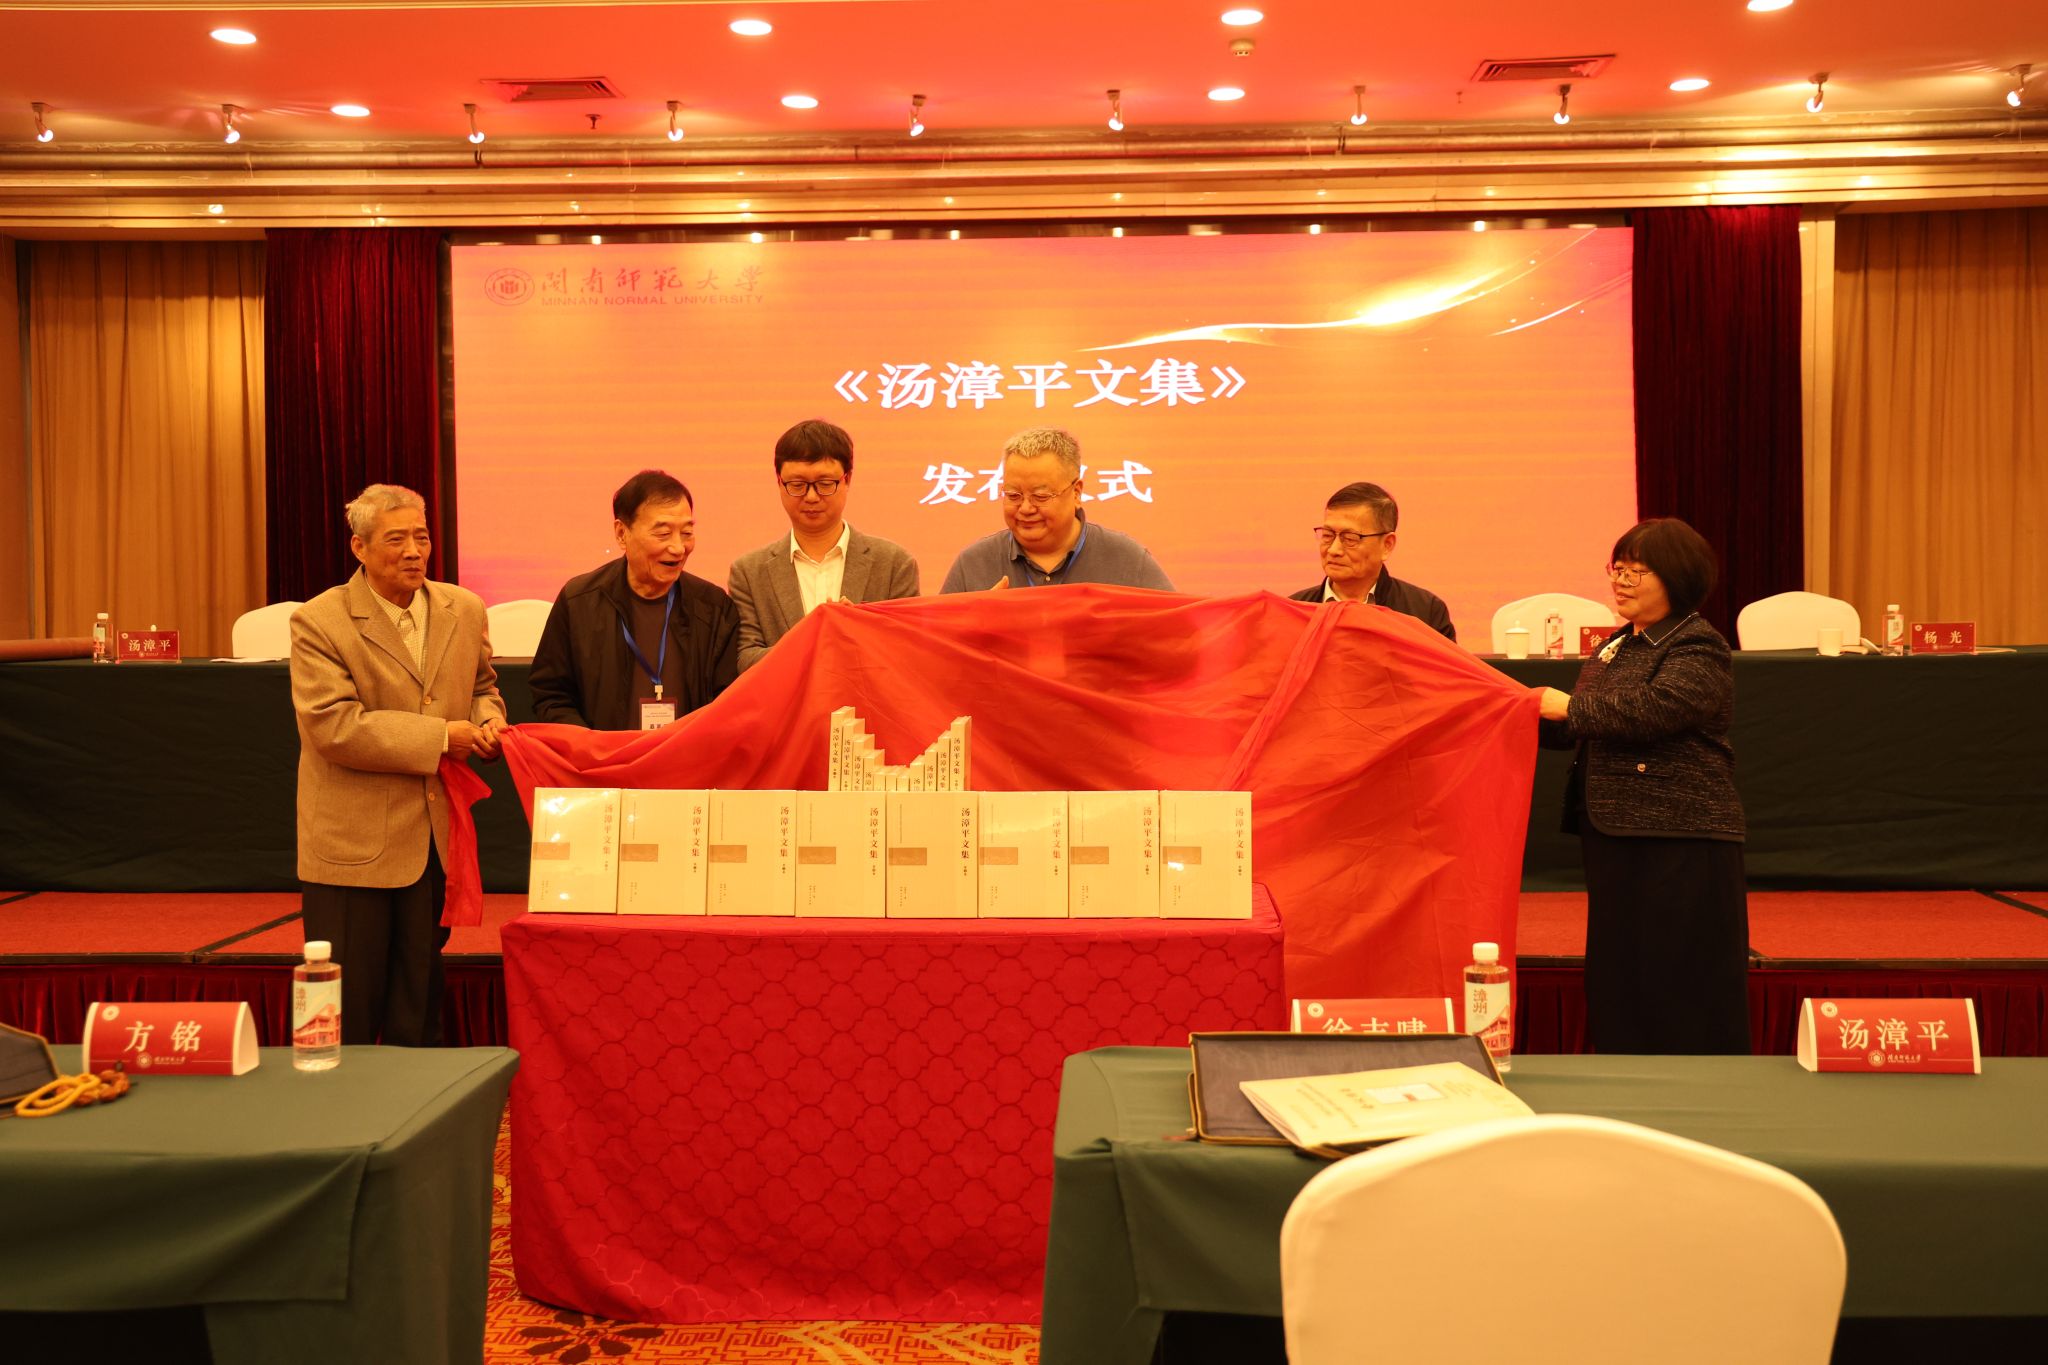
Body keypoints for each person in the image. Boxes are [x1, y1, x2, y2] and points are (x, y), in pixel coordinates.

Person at [290, 483, 505, 1046]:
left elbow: (482, 687)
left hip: (431, 842)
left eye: (422, 537)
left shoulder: (464, 608)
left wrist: (488, 721)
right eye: (396, 540)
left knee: (420, 1007)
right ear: (359, 547)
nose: (414, 551)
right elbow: (334, 726)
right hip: (351, 850)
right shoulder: (320, 621)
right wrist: (442, 738)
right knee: (349, 1015)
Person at [1533, 517, 1749, 1055]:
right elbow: (1584, 724)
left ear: (1677, 576)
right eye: (1618, 568)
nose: (1621, 580)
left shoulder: (1697, 643)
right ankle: (1623, 1068)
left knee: (1676, 971)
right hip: (1615, 828)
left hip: (1680, 833)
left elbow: (1654, 710)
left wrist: (1566, 706)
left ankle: (1696, 1080)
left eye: (1637, 570)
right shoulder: (1616, 645)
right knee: (1622, 965)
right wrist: (1515, 714)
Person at [529, 469, 739, 730]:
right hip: (603, 755)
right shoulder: (579, 602)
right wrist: (591, 745)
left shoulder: (713, 608)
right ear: (621, 533)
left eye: (686, 533)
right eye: (663, 534)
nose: (678, 548)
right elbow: (551, 694)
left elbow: (730, 701)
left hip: (687, 754)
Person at [727, 420, 921, 671]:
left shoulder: (894, 564)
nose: (811, 496)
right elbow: (744, 661)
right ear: (779, 481)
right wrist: (811, 638)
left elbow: (909, 653)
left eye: (825, 484)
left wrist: (857, 632)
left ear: (847, 479)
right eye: (797, 485)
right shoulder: (749, 572)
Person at [939, 427, 1174, 592]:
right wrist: (975, 621)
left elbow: (1177, 634)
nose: (1025, 508)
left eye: (1041, 496)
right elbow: (938, 642)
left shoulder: (1127, 561)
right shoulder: (973, 565)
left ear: (1076, 492)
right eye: (1013, 495)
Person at [1289, 482, 1455, 640]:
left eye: (1350, 538)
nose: (1333, 550)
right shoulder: (1292, 612)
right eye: (1327, 535)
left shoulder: (1425, 612)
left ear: (1387, 545)